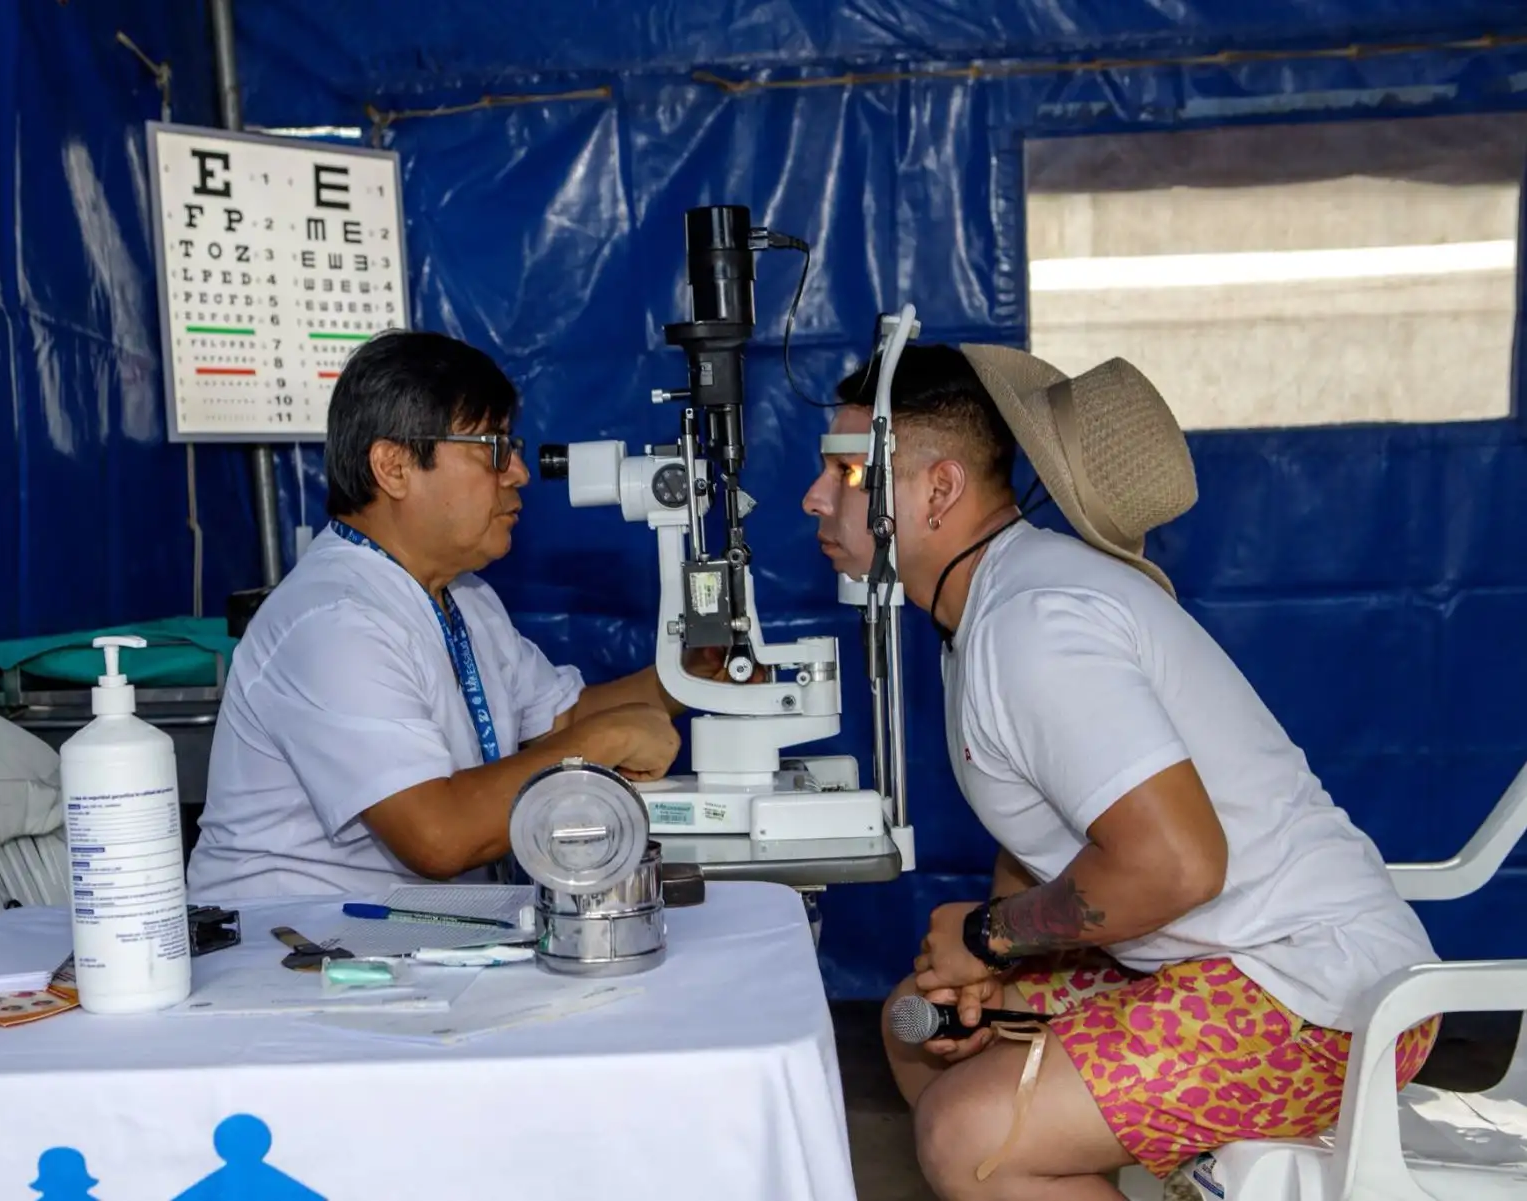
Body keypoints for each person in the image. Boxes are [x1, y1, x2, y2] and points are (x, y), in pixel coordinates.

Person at [801, 343, 1439, 1199]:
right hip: (1213, 957)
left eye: (845, 472)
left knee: (967, 1135)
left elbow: (1176, 863)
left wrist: (990, 934)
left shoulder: (1034, 628)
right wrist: (988, 965)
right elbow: (1041, 826)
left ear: (939, 490)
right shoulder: (986, 606)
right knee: (916, 1024)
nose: (814, 496)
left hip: (1322, 999)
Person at [189, 329, 709, 901]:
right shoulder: (333, 622)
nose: (518, 472)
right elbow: (438, 836)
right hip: (292, 953)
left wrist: (696, 674)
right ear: (393, 467)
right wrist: (607, 741)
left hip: (413, 938)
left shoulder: (464, 597)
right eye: (492, 447)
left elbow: (561, 721)